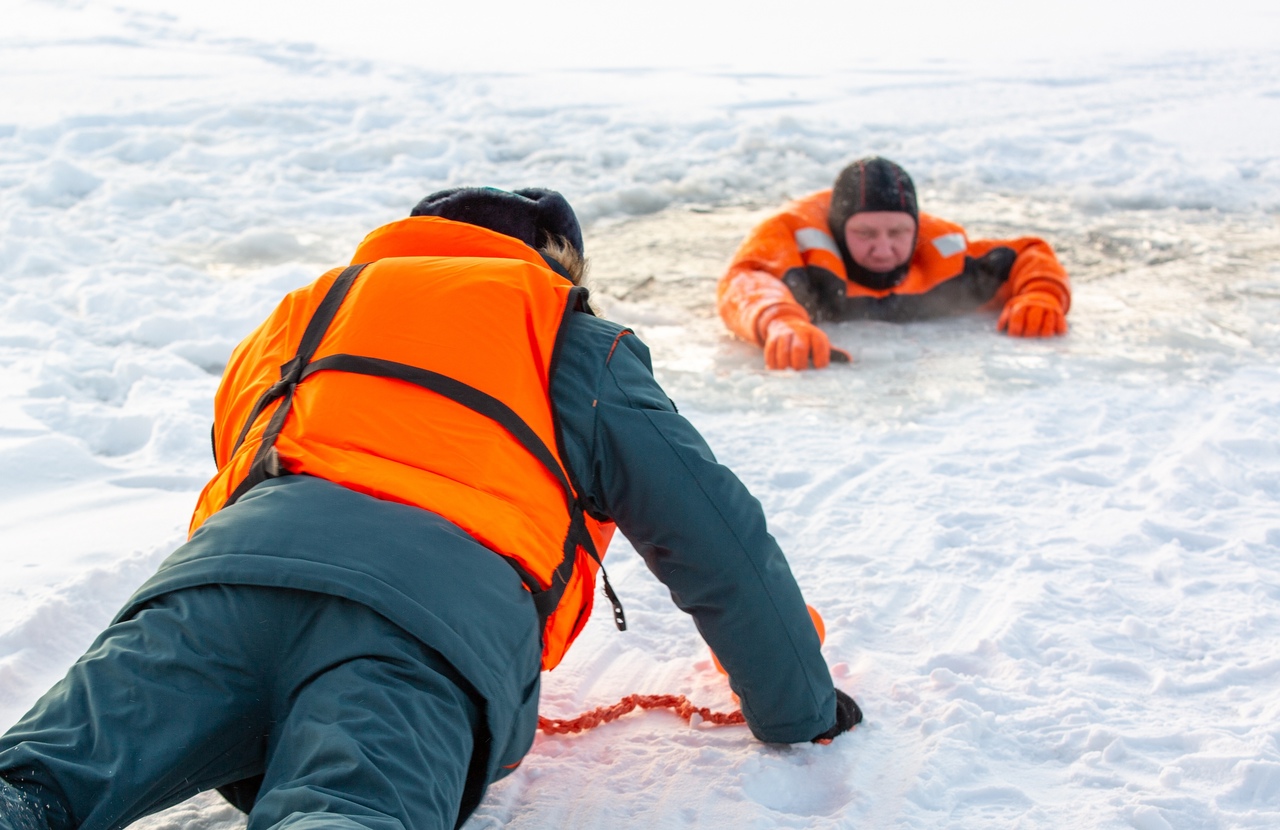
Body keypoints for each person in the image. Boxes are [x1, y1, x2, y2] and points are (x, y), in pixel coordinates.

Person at [0, 187, 861, 830]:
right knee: (345, 812)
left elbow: (240, 455)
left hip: (215, 594)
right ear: (556, 263)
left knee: (35, 783)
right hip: (424, 631)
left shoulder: (308, 313)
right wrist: (800, 708)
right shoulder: (564, 334)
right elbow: (715, 537)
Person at [718, 156, 1072, 370]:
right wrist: (779, 322)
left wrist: (1040, 295)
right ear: (839, 232)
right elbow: (748, 281)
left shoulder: (940, 260)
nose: (884, 249)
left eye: (898, 232)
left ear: (916, 229)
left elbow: (1027, 255)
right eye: (865, 234)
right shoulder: (798, 250)